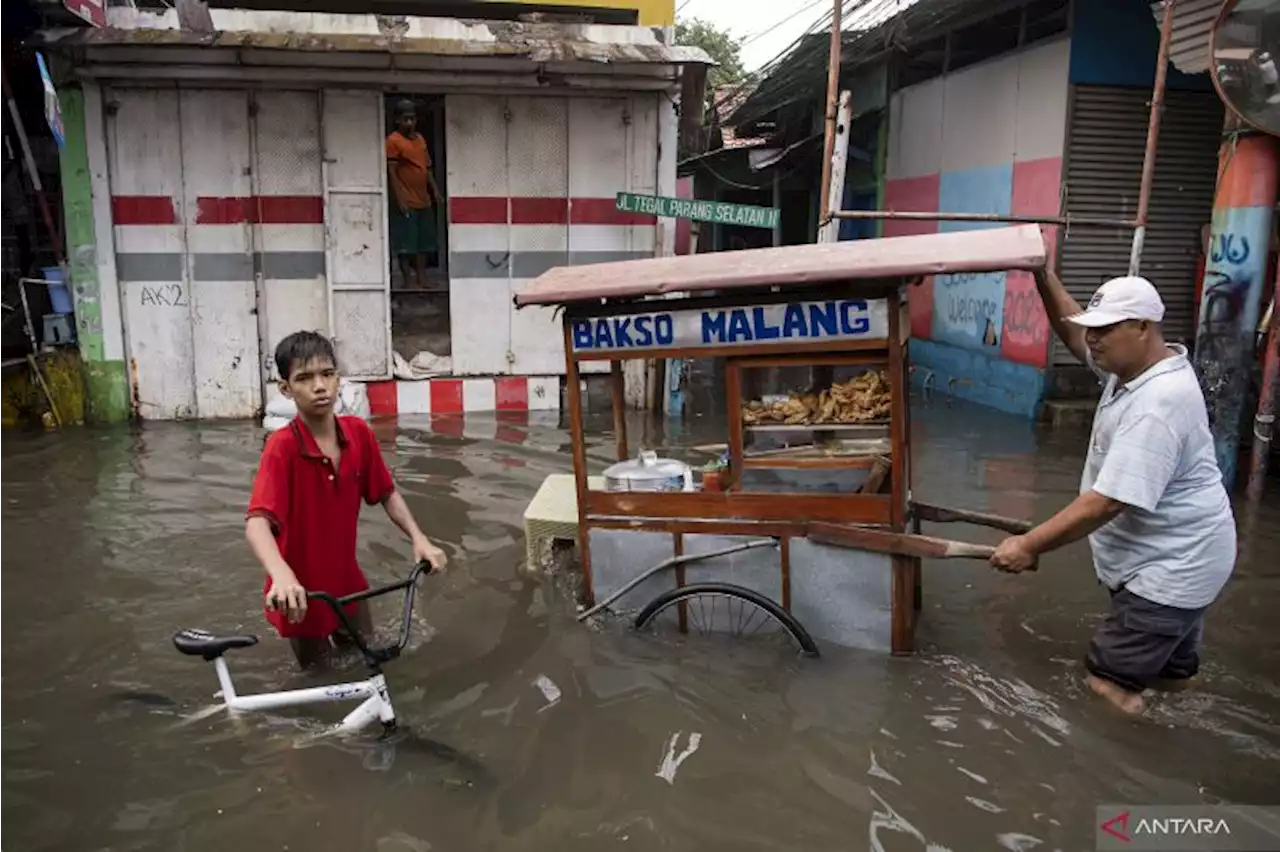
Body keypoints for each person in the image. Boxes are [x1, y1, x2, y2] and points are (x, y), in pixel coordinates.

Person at [990, 268, 1237, 715]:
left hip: (1170, 568)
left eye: (1105, 330)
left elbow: (1107, 501)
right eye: (1093, 329)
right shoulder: (1129, 372)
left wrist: (1029, 544)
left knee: (1107, 687)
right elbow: (1072, 331)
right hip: (1190, 557)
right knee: (1169, 681)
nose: (1093, 341)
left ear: (1143, 327)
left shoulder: (1157, 404)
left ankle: (1136, 771)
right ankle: (1184, 745)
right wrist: (1042, 274)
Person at [246, 331, 448, 669]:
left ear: (339, 378)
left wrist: (419, 539)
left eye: (327, 374)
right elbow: (256, 523)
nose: (319, 386)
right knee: (318, 675)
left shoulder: (359, 434)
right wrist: (281, 575)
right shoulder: (281, 448)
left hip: (348, 581)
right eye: (304, 378)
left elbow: (386, 493)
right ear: (286, 389)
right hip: (300, 592)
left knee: (368, 656)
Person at [385, 99, 444, 290]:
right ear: (397, 120)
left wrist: (435, 191)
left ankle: (422, 278)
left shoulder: (420, 140)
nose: (409, 123)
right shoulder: (393, 141)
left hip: (423, 199)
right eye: (405, 119)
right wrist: (399, 199)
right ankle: (407, 281)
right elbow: (391, 173)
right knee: (405, 245)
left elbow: (426, 168)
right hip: (406, 200)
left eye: (412, 119)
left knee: (424, 243)